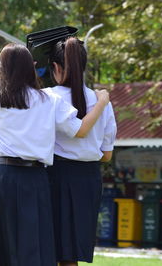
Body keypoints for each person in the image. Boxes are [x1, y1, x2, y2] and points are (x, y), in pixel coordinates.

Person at [0, 43, 110, 266]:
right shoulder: (49, 101)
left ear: (2, 70)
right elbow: (82, 130)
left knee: (0, 246)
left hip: (3, 176)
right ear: (32, 67)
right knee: (35, 245)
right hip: (35, 178)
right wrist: (101, 103)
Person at [46, 37, 117, 266]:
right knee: (71, 254)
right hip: (88, 180)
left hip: (54, 176)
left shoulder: (48, 97)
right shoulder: (102, 101)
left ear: (55, 67)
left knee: (49, 249)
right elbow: (107, 155)